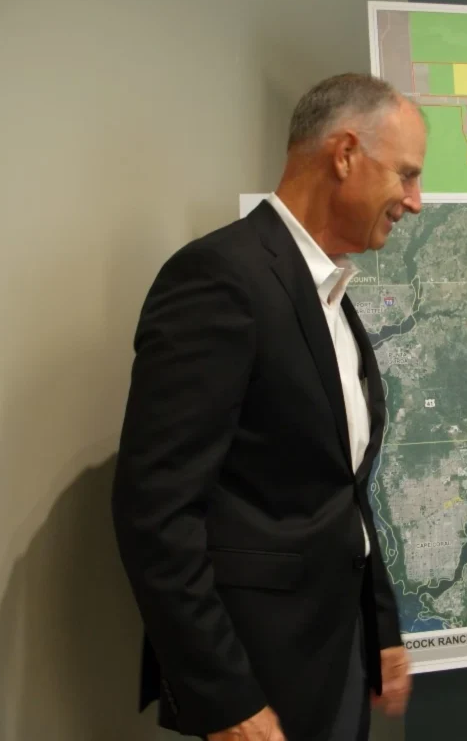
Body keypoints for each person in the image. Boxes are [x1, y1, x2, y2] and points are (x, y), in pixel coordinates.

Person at [111, 72, 426, 741]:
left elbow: (342, 489)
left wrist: (382, 630)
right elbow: (157, 513)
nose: (415, 200)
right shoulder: (221, 279)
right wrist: (223, 697)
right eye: (406, 174)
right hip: (259, 677)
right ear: (343, 154)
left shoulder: (331, 293)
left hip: (334, 657)